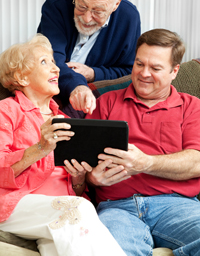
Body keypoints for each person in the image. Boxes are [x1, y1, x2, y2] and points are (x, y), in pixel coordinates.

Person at [0, 34, 127, 256]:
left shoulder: (66, 121)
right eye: (44, 62)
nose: (56, 69)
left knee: (66, 242)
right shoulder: (7, 110)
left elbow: (76, 190)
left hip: (57, 211)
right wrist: (40, 148)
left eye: (54, 61)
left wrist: (78, 179)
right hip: (16, 204)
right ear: (21, 77)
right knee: (78, 209)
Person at [85, 29, 200, 256]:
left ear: (174, 71)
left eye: (155, 68)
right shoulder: (106, 102)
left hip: (178, 205)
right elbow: (82, 163)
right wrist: (90, 178)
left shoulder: (192, 106)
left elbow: (196, 162)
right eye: (139, 64)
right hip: (117, 207)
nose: (143, 74)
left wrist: (146, 163)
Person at [37, 0, 141, 115]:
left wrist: (94, 73)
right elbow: (50, 60)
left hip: (98, 96)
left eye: (97, 12)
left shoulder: (129, 18)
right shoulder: (57, 6)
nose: (86, 18)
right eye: (81, 6)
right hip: (53, 88)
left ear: (115, 5)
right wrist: (77, 85)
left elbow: (128, 72)